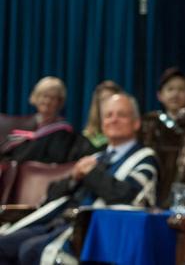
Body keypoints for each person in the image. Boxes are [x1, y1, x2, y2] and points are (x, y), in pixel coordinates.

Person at [0, 92, 158, 264]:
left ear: (136, 123)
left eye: (121, 115)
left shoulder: (145, 158)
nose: (114, 120)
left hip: (93, 233)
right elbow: (51, 195)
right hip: (57, 222)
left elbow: (127, 196)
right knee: (4, 244)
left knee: (31, 249)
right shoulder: (96, 157)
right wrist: (74, 177)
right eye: (108, 115)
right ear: (103, 124)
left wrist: (90, 173)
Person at [140, 67, 185, 207]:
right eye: (170, 89)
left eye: (181, 89)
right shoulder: (149, 123)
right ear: (160, 95)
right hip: (154, 187)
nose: (175, 94)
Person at [0, 77, 77, 164]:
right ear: (36, 97)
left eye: (53, 98)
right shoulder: (22, 123)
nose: (47, 101)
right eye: (44, 96)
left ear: (59, 102)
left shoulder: (62, 130)